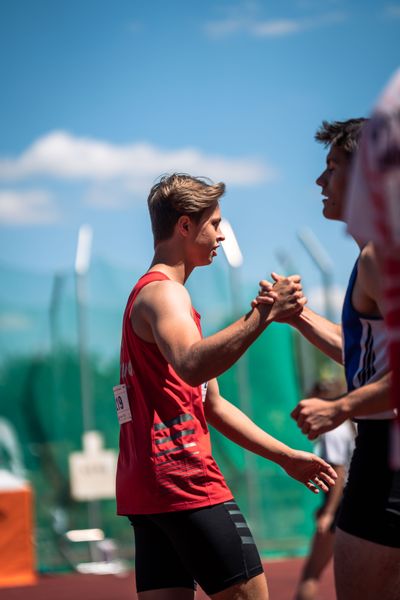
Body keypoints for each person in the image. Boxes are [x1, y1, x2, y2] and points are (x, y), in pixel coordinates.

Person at [116, 173, 337, 600]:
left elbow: (211, 405)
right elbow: (193, 365)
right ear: (184, 226)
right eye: (214, 223)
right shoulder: (165, 295)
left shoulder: (160, 297)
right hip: (184, 481)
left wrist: (286, 457)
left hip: (147, 488)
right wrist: (265, 314)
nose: (220, 234)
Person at [257, 120, 400, 600]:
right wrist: (297, 317)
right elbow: (366, 353)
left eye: (332, 167)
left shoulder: (382, 256)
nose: (320, 181)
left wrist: (341, 408)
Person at [294, 380, 355, 600]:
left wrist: (329, 513)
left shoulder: (332, 429)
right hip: (347, 500)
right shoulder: (346, 424)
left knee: (311, 573)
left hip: (340, 504)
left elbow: (338, 472)